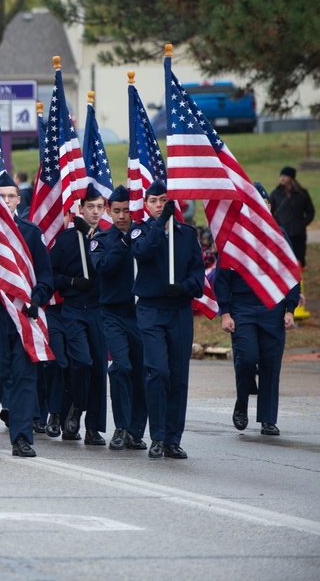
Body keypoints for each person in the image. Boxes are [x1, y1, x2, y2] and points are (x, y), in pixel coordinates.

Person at [0, 172, 53, 457]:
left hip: (24, 314)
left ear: (19, 199)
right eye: (1, 196)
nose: (6, 201)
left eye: (10, 196)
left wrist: (36, 299)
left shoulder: (30, 233)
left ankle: (21, 437)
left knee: (24, 375)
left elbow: (45, 276)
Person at [216, 182, 298, 437]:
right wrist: (226, 312)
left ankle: (268, 418)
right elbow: (222, 277)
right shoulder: (234, 235)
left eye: (263, 203)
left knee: (271, 364)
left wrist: (290, 309)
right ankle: (242, 401)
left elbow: (290, 273)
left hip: (272, 307)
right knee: (247, 358)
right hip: (243, 307)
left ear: (269, 206)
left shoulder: (279, 234)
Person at [131, 180, 202, 459]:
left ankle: (173, 438)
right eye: (154, 201)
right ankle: (157, 436)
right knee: (157, 370)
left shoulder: (186, 234)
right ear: (146, 205)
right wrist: (161, 225)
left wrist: (183, 288)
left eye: (164, 200)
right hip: (151, 310)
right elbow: (142, 253)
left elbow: (198, 276)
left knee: (178, 376)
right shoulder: (142, 230)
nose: (160, 205)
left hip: (179, 311)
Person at [49, 184, 108, 446]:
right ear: (80, 209)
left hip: (99, 310)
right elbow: (49, 275)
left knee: (98, 368)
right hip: (73, 310)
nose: (95, 212)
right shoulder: (66, 240)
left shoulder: (107, 239)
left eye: (99, 207)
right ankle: (75, 407)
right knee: (81, 362)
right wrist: (72, 282)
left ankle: (93, 427)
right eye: (90, 207)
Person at [90, 185, 148, 451]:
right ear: (109, 212)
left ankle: (136, 430)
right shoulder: (102, 240)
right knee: (121, 367)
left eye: (126, 210)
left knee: (141, 373)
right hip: (113, 314)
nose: (123, 216)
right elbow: (103, 267)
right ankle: (121, 427)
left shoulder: (143, 236)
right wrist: (124, 243)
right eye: (117, 211)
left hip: (141, 315)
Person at [270, 166, 314, 267]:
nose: (282, 178)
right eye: (281, 175)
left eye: (285, 176)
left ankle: (300, 282)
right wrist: (278, 225)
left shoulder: (302, 194)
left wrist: (302, 224)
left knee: (299, 262)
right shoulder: (276, 194)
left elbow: (310, 212)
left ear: (291, 178)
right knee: (284, 263)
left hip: (299, 235)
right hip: (282, 235)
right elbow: (270, 212)